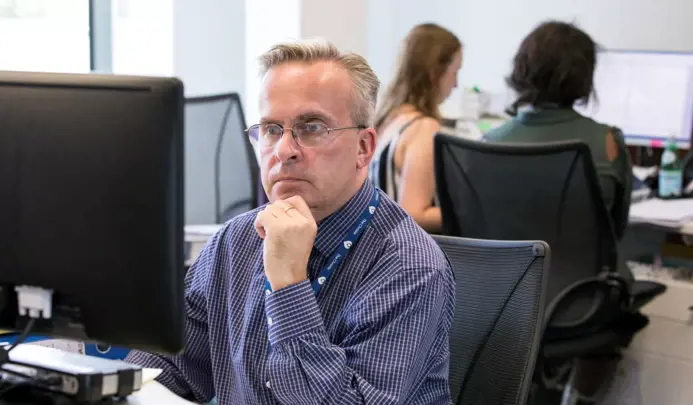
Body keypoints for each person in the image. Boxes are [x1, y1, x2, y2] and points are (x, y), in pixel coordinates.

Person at [126, 39, 456, 405]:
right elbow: (163, 367)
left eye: (311, 127)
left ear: (363, 148)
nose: (283, 150)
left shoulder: (409, 266)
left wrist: (288, 284)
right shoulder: (235, 241)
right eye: (271, 129)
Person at [485, 21, 633, 244]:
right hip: (583, 266)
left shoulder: (489, 143)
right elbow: (616, 231)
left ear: (521, 68)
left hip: (507, 267)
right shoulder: (607, 142)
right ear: (585, 76)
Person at [369, 23, 463, 234]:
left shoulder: (386, 120)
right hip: (403, 247)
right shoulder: (423, 128)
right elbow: (414, 213)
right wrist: (471, 210)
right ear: (435, 73)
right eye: (455, 72)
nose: (456, 84)